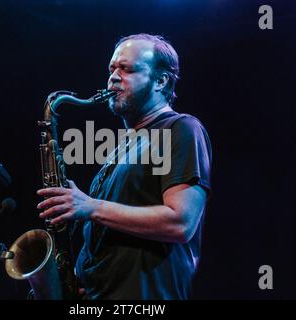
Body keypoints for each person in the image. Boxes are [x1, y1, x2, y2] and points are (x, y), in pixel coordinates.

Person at [37, 33, 212, 300]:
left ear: (161, 81)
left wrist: (90, 206)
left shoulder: (181, 128)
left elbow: (181, 222)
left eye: (127, 69)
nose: (113, 77)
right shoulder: (121, 149)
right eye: (112, 68)